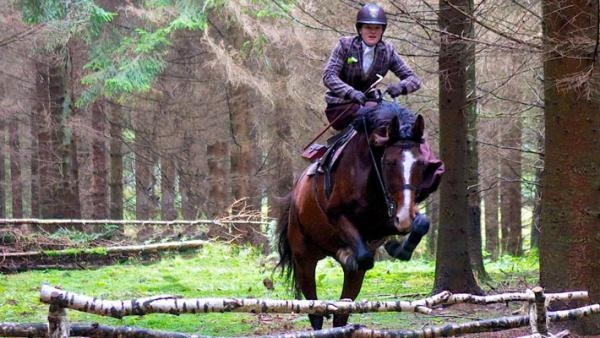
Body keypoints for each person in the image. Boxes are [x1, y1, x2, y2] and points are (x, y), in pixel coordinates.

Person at [322, 2, 422, 131]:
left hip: (371, 104)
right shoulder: (345, 45)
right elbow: (329, 76)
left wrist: (401, 87)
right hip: (341, 106)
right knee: (372, 116)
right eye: (368, 27)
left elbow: (414, 79)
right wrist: (350, 92)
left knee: (406, 121)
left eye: (377, 28)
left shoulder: (387, 51)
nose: (373, 32)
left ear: (382, 31)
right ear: (360, 29)